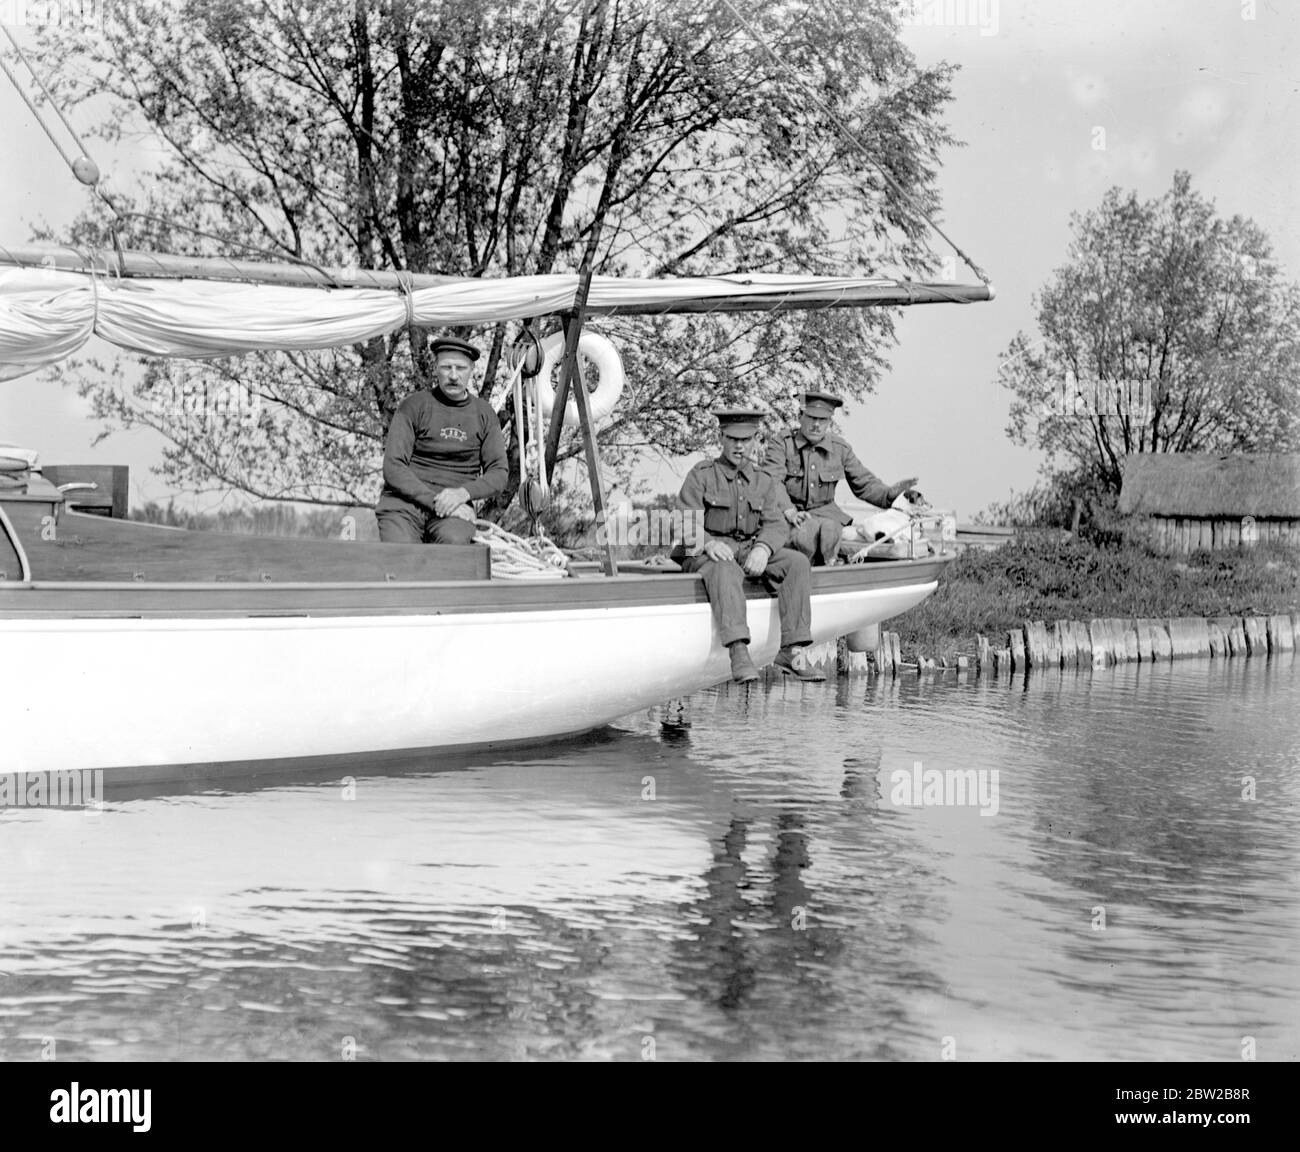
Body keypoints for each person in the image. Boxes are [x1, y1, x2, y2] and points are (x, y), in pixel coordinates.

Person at [673, 408, 824, 684]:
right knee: (724, 567)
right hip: (705, 553)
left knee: (797, 563)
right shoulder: (702, 475)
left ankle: (792, 650)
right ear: (721, 438)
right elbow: (683, 520)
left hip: (748, 549)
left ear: (756, 440)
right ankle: (739, 652)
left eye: (745, 440)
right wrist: (708, 543)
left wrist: (763, 549)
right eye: (732, 439)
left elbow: (776, 524)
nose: (739, 446)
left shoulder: (763, 481)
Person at [375, 336, 508, 545]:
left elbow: (499, 473)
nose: (453, 375)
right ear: (435, 368)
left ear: (472, 369)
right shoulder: (413, 406)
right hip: (404, 505)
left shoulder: (484, 414)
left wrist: (463, 494)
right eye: (447, 367)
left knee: (454, 545)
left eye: (460, 368)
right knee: (400, 555)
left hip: (455, 511)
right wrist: (437, 501)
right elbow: (393, 467)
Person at [761, 390, 918, 565]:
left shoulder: (840, 448)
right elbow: (772, 481)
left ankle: (833, 570)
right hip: (790, 517)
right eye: (812, 418)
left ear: (829, 421)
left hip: (828, 518)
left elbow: (865, 484)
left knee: (835, 532)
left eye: (822, 420)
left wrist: (892, 494)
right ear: (800, 416)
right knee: (802, 537)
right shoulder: (781, 444)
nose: (816, 425)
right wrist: (790, 512)